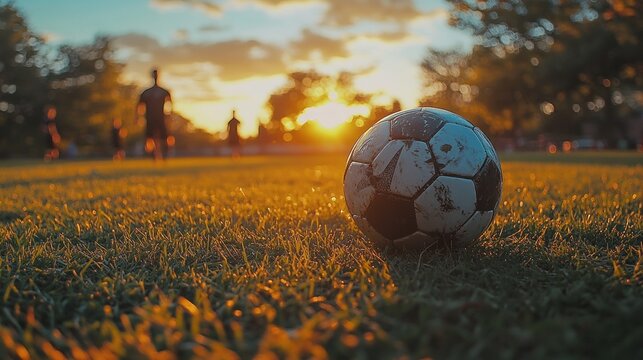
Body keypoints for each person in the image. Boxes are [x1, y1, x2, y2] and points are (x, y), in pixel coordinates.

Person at [137, 68, 172, 160]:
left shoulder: (163, 91)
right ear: (152, 76)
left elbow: (170, 103)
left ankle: (164, 155)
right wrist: (138, 117)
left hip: (161, 118)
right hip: (149, 118)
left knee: (164, 138)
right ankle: (154, 156)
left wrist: (169, 115)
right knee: (149, 138)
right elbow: (139, 106)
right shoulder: (146, 92)